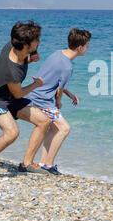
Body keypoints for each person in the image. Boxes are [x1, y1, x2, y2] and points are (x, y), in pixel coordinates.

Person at [0, 20, 51, 179]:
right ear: (26, 45)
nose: (39, 43)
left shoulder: (14, 45)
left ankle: (26, 164)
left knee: (44, 121)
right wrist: (36, 84)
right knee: (12, 133)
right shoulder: (11, 71)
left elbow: (21, 61)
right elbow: (19, 94)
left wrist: (30, 60)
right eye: (37, 41)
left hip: (9, 96)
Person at [25, 28, 91, 175]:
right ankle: (48, 165)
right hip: (42, 100)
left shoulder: (57, 53)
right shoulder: (68, 67)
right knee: (64, 128)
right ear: (80, 48)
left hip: (33, 94)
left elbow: (52, 79)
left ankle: (43, 163)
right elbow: (58, 91)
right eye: (87, 46)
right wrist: (59, 102)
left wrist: (69, 94)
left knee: (54, 129)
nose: (87, 49)